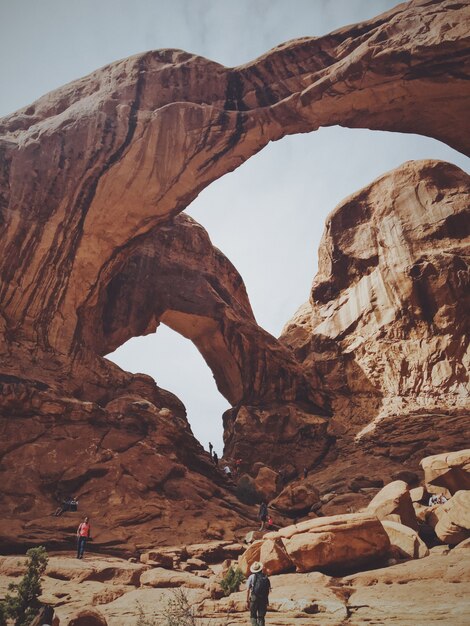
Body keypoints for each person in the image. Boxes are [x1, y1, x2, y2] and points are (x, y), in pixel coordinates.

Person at [246, 561, 271, 626]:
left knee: (253, 616)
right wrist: (266, 599)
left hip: (254, 597)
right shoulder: (265, 577)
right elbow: (268, 590)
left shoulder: (251, 577)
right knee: (261, 617)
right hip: (263, 598)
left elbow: (248, 589)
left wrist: (247, 600)